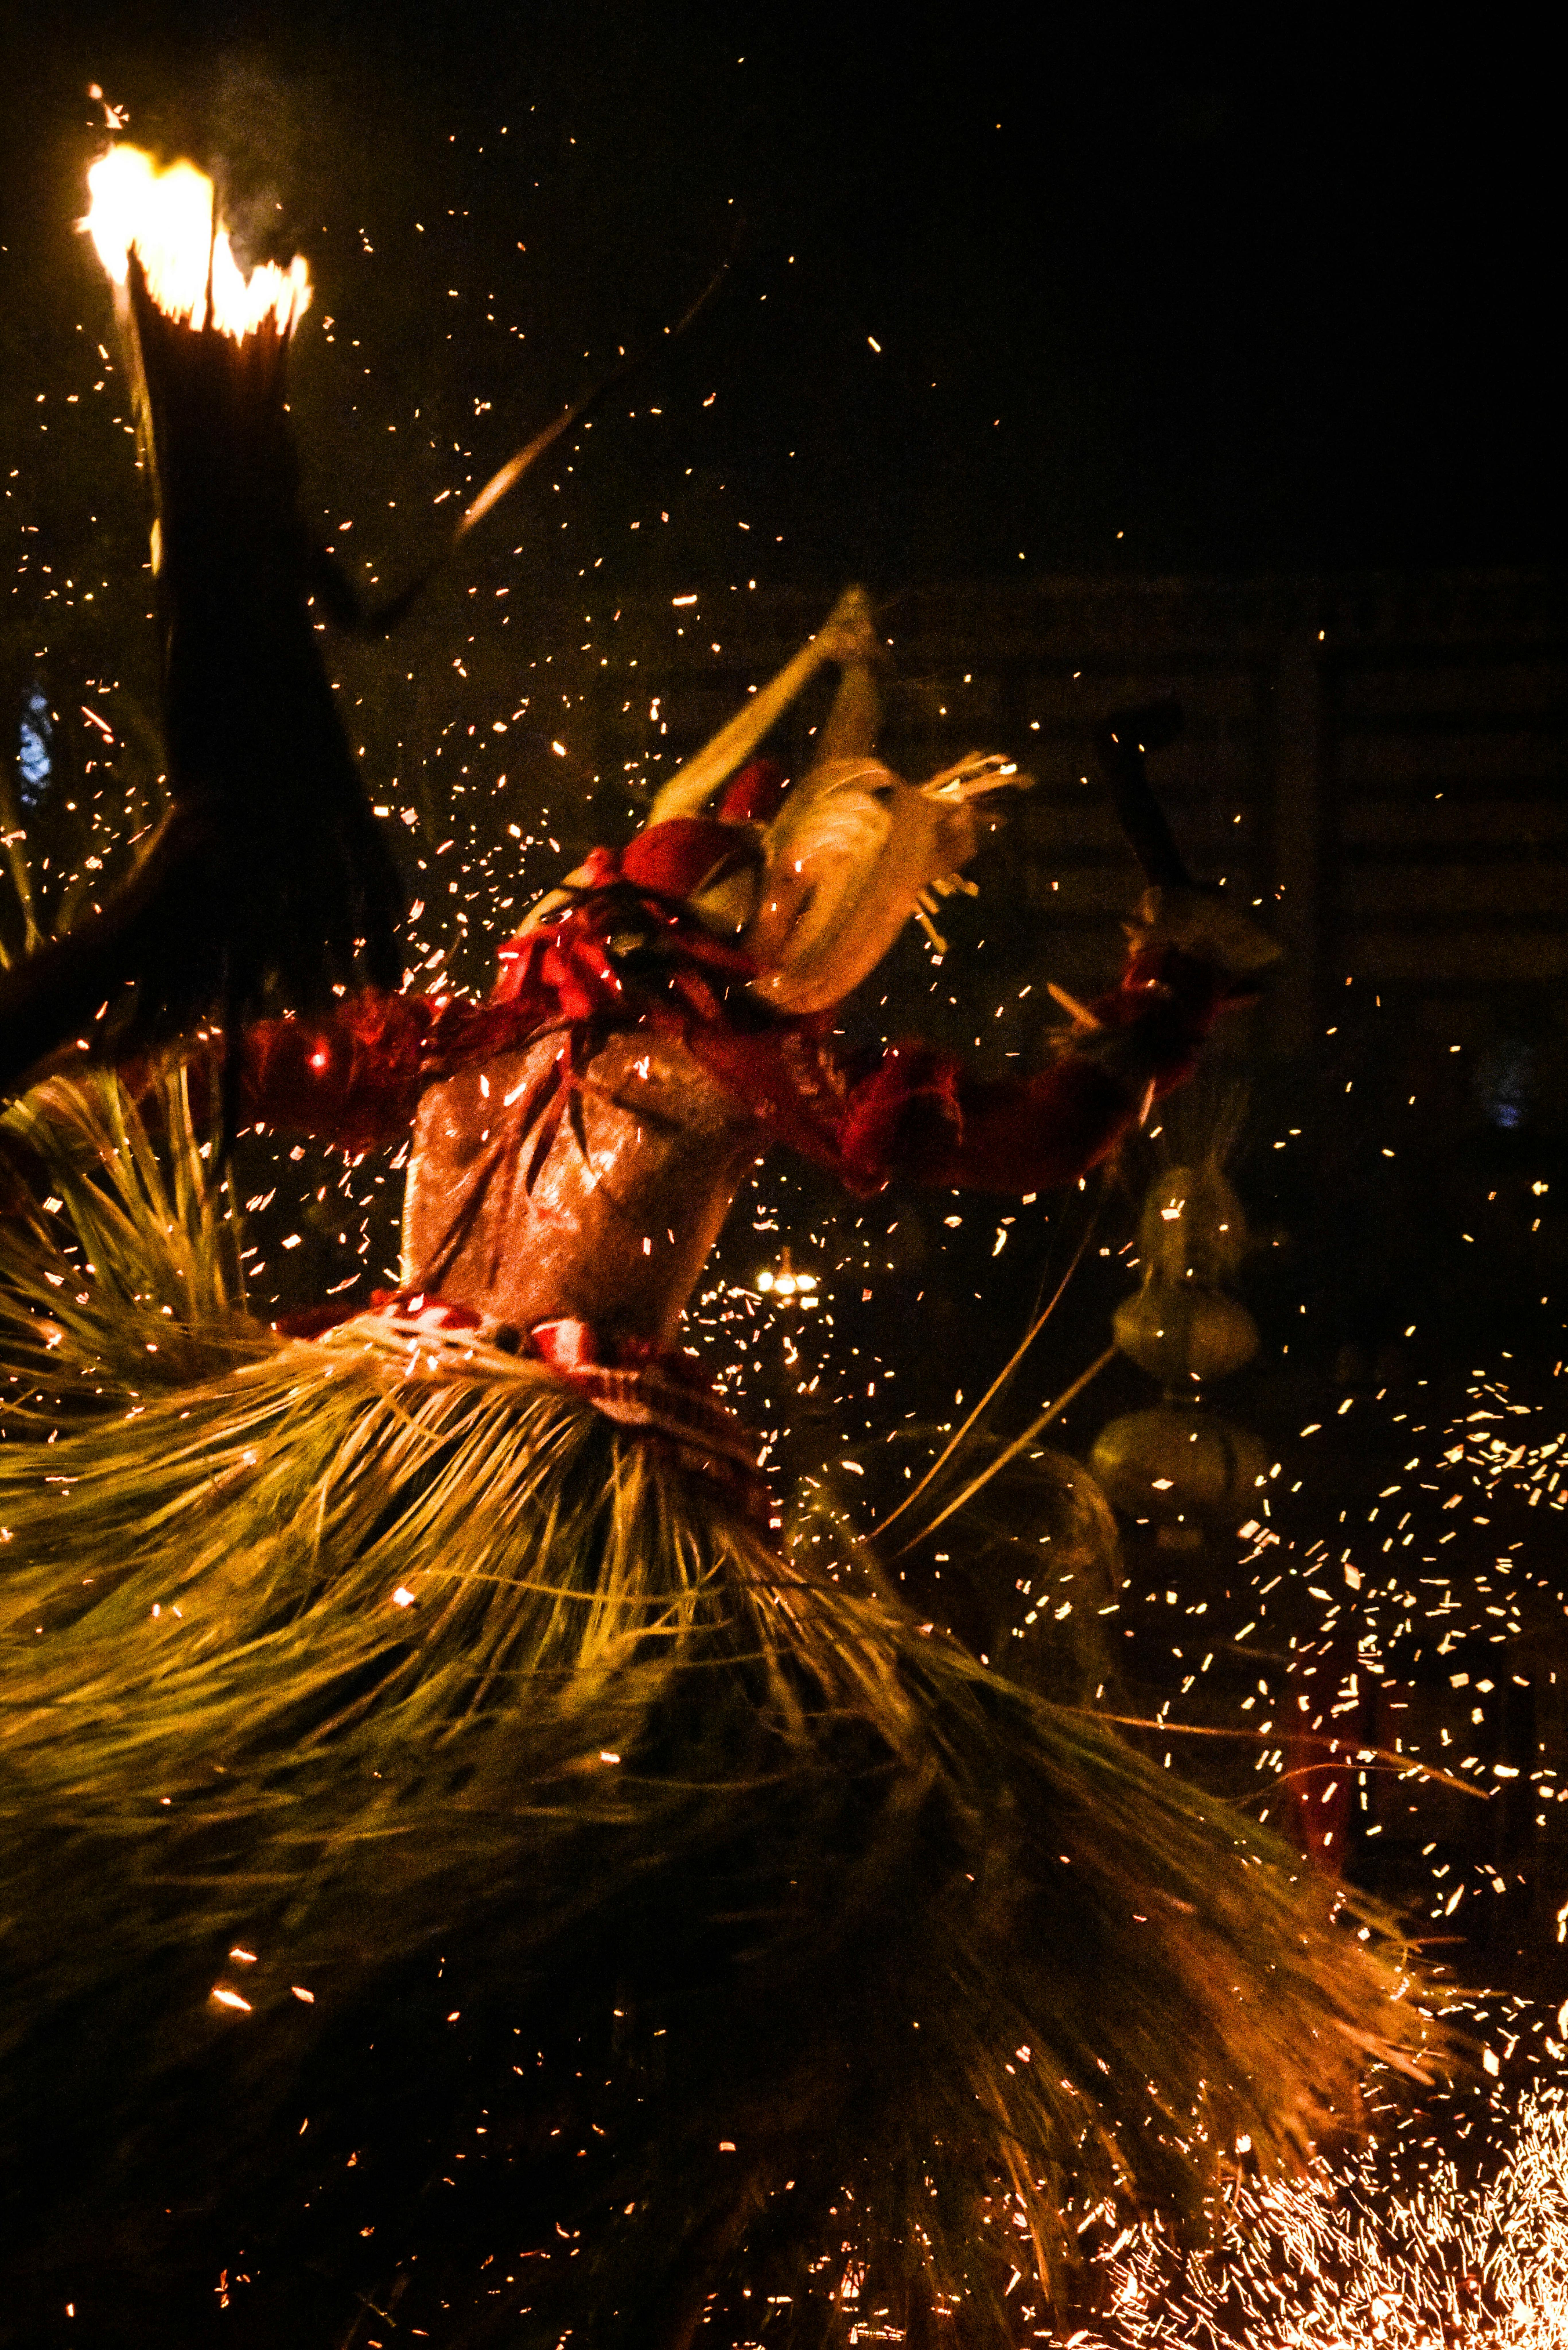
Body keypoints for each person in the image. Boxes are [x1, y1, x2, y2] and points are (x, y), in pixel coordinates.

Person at [0, 594, 1429, 2350]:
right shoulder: (641, 1043)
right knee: (714, 1816)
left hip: (422, 1451)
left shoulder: (509, 1038)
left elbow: (220, 1065)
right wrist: (1158, 1008)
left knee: (431, 1793)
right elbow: (1031, 1132)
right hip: (520, 1483)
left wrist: (1150, 1014)